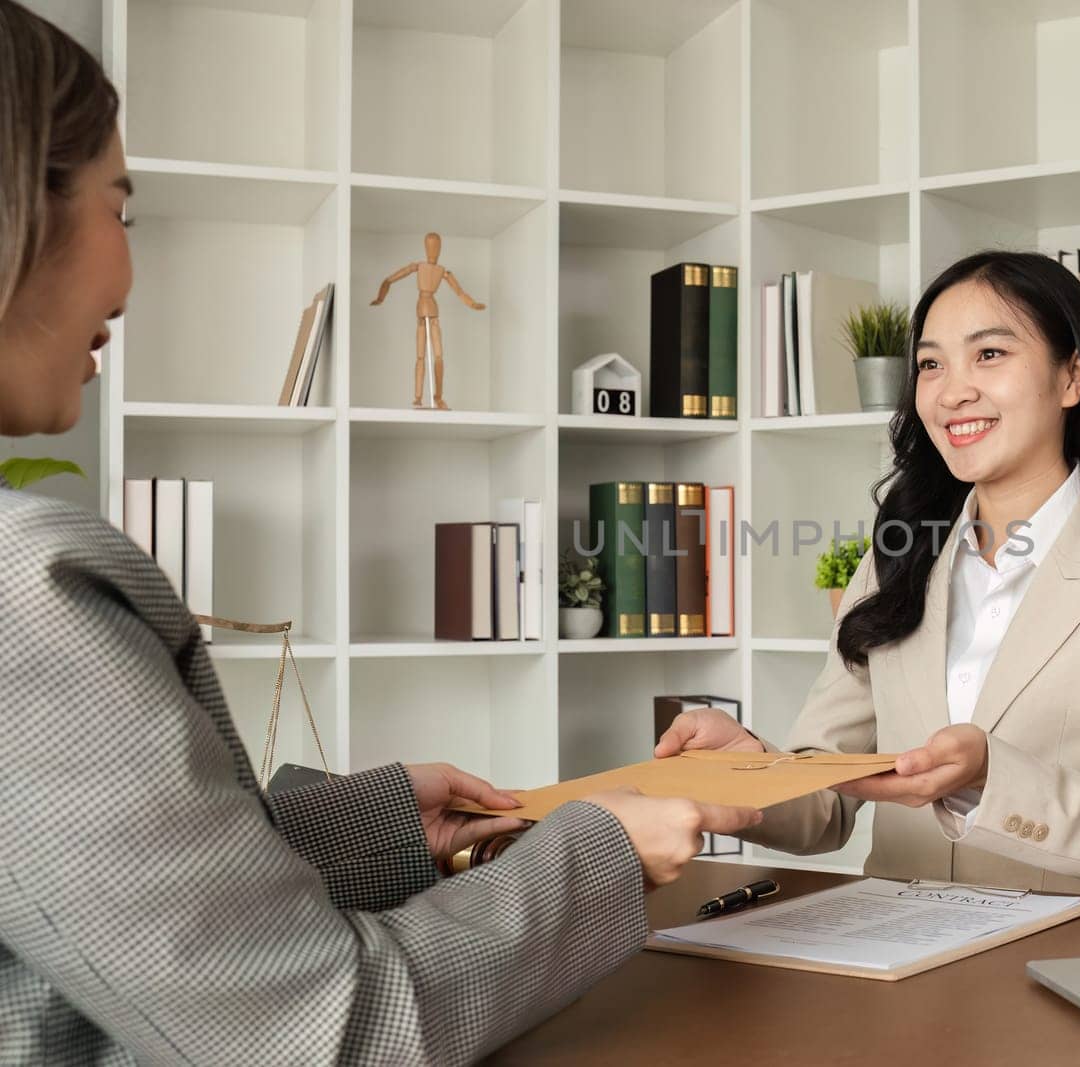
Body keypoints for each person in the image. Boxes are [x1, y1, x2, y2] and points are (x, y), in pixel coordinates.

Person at [0, 5, 759, 1062]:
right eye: (121, 211)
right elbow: (321, 1029)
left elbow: (89, 900)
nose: (129, 279)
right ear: (17, 218)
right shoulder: (24, 593)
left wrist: (381, 829)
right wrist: (604, 850)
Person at [658, 250, 1080, 898]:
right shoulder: (897, 556)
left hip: (1057, 963)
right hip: (892, 954)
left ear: (1072, 377)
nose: (953, 390)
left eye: (989, 354)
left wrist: (989, 775)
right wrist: (749, 767)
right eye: (931, 363)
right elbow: (827, 804)